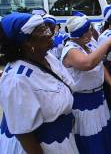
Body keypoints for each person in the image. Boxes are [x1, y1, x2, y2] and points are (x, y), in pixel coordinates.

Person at [0, 13, 79, 153]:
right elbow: (24, 134)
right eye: (42, 30)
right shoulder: (17, 80)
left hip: (62, 140)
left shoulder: (47, 57)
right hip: (43, 146)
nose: (50, 33)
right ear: (27, 42)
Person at [61, 15, 111, 153]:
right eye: (88, 30)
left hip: (98, 97)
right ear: (80, 34)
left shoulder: (89, 43)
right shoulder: (71, 50)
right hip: (82, 101)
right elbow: (88, 63)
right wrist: (107, 44)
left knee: (101, 132)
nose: (91, 32)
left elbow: (98, 63)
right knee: (88, 136)